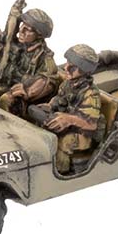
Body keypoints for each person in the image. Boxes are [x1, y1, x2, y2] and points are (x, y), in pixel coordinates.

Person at [34, 44, 103, 174]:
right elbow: (60, 99)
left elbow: (91, 124)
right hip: (66, 124)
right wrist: (49, 106)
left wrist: (69, 119)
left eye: (72, 67)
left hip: (84, 134)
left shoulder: (90, 94)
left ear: (84, 71)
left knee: (63, 143)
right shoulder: (68, 83)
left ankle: (62, 172)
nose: (66, 68)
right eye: (67, 63)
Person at [0, 7, 58, 114]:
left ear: (39, 35)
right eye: (22, 25)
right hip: (5, 86)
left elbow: (50, 81)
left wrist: (28, 91)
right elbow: (10, 62)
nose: (21, 31)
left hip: (22, 99)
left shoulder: (45, 57)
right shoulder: (17, 45)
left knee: (5, 100)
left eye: (28, 29)